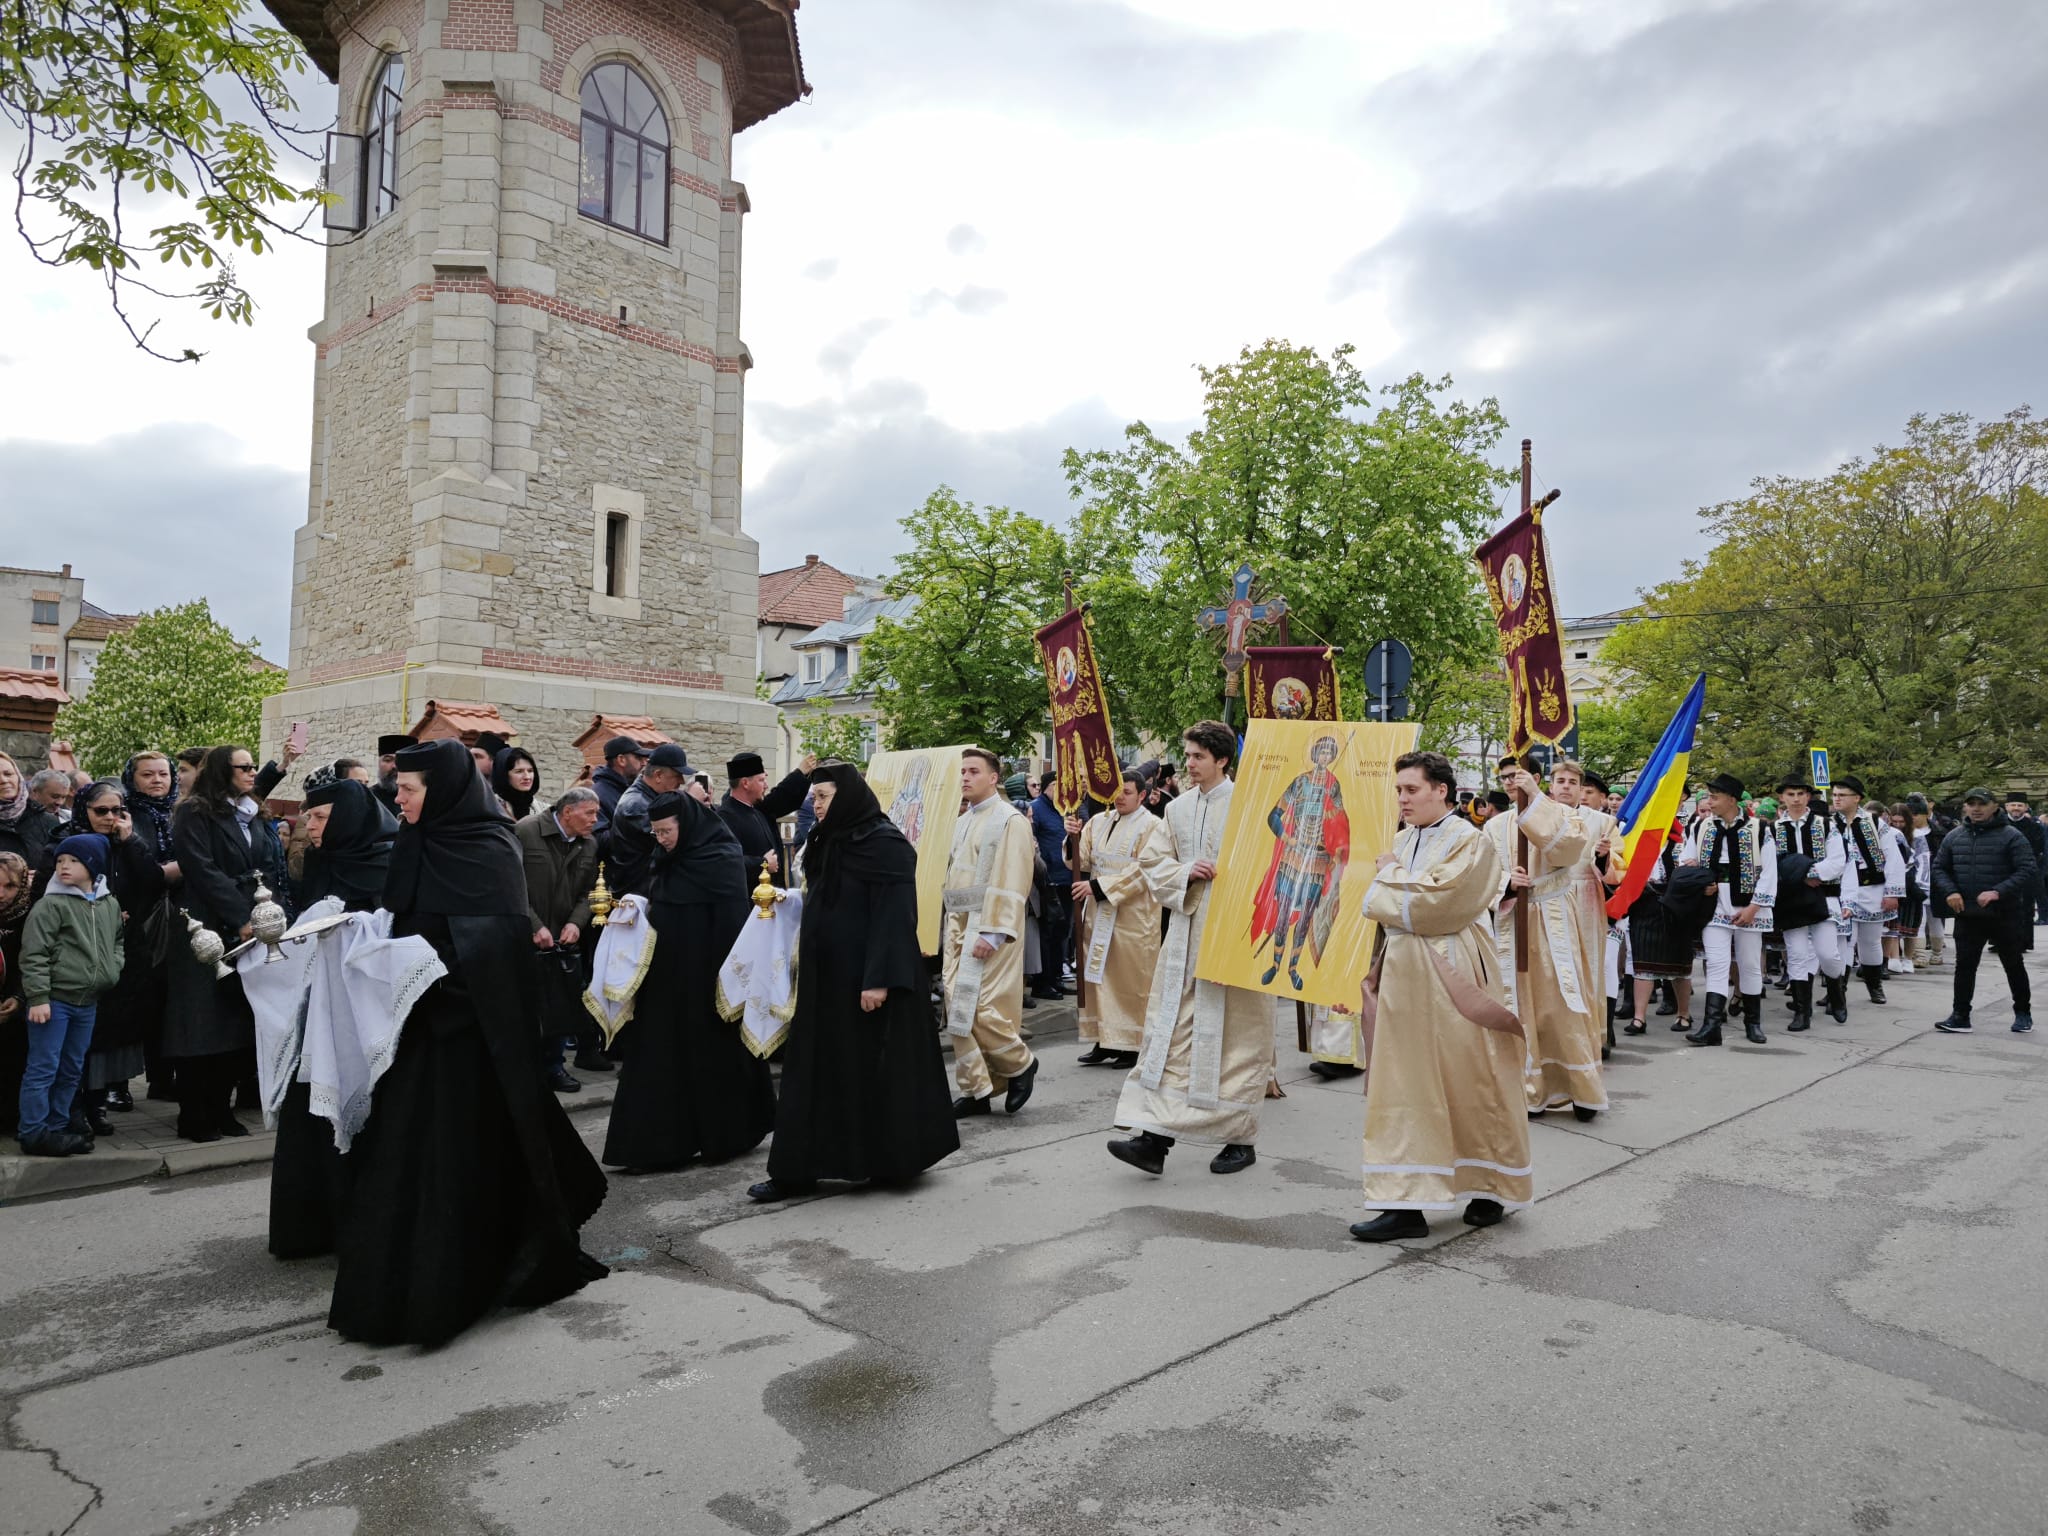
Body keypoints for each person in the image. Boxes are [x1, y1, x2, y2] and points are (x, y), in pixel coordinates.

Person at [326, 739, 607, 1346]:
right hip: (417, 1032)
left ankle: (462, 1286)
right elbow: (402, 919)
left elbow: (496, 958)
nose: (396, 798)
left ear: (445, 790)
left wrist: (421, 976)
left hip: (470, 1042)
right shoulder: (415, 838)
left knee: (463, 1162)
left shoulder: (490, 846)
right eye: (398, 788)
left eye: (409, 789)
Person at [749, 762, 960, 1202]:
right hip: (825, 981)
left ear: (846, 796)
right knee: (813, 1073)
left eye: (823, 796)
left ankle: (882, 1162)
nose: (816, 805)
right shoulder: (825, 839)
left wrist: (878, 980)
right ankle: (796, 1170)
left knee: (870, 1074)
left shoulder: (886, 845)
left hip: (866, 983)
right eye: (814, 798)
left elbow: (894, 919)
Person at [1351, 750, 1529, 1241]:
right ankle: (1405, 1204)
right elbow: (1399, 904)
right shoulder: (1402, 840)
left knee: (1468, 1077)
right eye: (1399, 790)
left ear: (1441, 791)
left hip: (1453, 971)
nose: (1402, 799)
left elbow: (1440, 906)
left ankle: (1488, 1185)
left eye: (1411, 789)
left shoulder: (1471, 842)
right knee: (1404, 1086)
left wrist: (1386, 877)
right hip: (1403, 973)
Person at [1108, 721, 1267, 1176]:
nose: (1190, 764)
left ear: (1221, 759)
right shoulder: (1176, 810)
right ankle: (1154, 1139)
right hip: (1186, 931)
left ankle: (1240, 1137)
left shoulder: (1248, 805)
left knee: (1235, 1037)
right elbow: (1154, 861)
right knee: (1171, 1033)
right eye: (1189, 754)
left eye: (1198, 756)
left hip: (1237, 933)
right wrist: (1184, 873)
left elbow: (1267, 865)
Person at [602, 790, 772, 1170]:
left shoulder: (721, 857)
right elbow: (662, 901)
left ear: (688, 824)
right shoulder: (666, 857)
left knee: (714, 1058)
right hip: (666, 978)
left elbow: (731, 927)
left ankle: (725, 1136)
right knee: (660, 1057)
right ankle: (659, 1145)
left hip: (708, 979)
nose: (660, 840)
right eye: (656, 832)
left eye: (666, 831)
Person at [269, 775, 396, 1262]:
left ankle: (363, 1223)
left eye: (321, 817)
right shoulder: (321, 860)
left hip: (367, 1014)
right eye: (308, 817)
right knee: (313, 1109)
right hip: (318, 1007)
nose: (311, 826)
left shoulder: (388, 860)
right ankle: (311, 1225)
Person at [1483, 756, 1604, 1118]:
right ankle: (1530, 1088)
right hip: (1513, 918)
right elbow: (1481, 871)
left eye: (1516, 776)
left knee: (1562, 1002)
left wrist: (1533, 803)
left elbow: (1566, 848)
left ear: (1536, 779)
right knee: (1519, 1003)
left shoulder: (1565, 815)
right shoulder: (1495, 825)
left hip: (1553, 915)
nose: (1509, 783)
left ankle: (1581, 1090)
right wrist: (1505, 884)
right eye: (1504, 777)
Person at [166, 746, 271, 1143]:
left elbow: (262, 866)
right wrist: (240, 916)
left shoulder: (252, 811)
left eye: (253, 766)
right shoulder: (193, 811)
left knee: (236, 1022)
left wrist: (265, 914)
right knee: (201, 1023)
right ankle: (194, 1114)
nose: (251, 772)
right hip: (205, 926)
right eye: (243, 767)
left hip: (247, 922)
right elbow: (201, 867)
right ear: (222, 773)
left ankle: (222, 1108)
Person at [938, 748, 1039, 1117]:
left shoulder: (1010, 820)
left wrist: (993, 933)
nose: (965, 777)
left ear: (994, 777)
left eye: (974, 771)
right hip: (957, 925)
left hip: (990, 926)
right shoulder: (963, 819)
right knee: (956, 1006)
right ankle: (977, 1088)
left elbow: (1015, 878)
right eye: (962, 771)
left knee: (978, 1006)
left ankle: (1020, 1064)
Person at [15, 834, 125, 1157]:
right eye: (60, 861)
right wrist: (37, 997)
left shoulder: (108, 903)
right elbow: (34, 953)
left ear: (92, 865)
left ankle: (58, 1126)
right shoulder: (50, 904)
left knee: (71, 1067)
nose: (64, 866)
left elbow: (118, 940)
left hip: (87, 1001)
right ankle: (34, 1131)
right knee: (43, 1066)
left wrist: (114, 967)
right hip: (54, 1001)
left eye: (73, 861)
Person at [70, 783, 167, 1135]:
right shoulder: (67, 843)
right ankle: (74, 1107)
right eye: (101, 811)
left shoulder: (125, 843)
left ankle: (97, 1105)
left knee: (109, 1034)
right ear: (85, 810)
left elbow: (153, 882)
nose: (110, 818)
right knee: (81, 1034)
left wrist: (132, 842)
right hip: (80, 952)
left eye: (117, 811)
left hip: (123, 952)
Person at [1072, 770, 1163, 1071]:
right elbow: (1080, 859)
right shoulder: (1098, 822)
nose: (1120, 797)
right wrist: (1070, 834)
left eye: (1126, 792)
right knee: (1099, 976)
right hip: (1098, 914)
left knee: (1130, 979)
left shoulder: (1153, 826)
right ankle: (1104, 1039)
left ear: (1142, 795)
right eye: (1116, 791)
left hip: (1132, 916)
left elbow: (1146, 870)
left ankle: (1133, 1045)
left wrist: (1097, 888)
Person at [515, 786, 602, 1092]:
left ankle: (554, 1068)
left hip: (563, 943)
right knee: (526, 1010)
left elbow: (589, 892)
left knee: (559, 1009)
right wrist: (534, 926)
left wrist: (577, 923)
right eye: (590, 812)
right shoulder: (526, 832)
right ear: (568, 812)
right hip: (526, 939)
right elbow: (512, 887)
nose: (595, 819)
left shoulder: (589, 844)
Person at [1680, 773, 1778, 1047]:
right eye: (1709, 797)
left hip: (1749, 904)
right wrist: (1701, 884)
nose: (1709, 802)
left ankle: (1753, 1022)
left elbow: (1769, 872)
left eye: (1715, 797)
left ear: (1732, 800)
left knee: (1748, 964)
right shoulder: (1701, 827)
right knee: (1717, 963)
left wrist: (1754, 907)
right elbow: (1687, 861)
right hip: (1714, 904)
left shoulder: (1759, 829)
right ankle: (1712, 1025)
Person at [1932, 789, 2036, 1034]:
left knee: (2013, 963)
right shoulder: (1954, 836)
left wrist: (1997, 891)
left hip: (2004, 913)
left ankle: (2023, 1013)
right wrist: (1950, 892)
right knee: (1965, 965)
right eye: (1971, 804)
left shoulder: (2012, 836)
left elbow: (2027, 869)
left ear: (1994, 807)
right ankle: (1960, 1015)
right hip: (1968, 914)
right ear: (1965, 808)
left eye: (1982, 804)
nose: (1976, 809)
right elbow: (1939, 868)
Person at [1771, 774, 1846, 1032]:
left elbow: (1837, 860)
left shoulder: (1826, 825)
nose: (1795, 799)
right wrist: (1802, 876)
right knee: (1797, 954)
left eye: (1800, 794)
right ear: (1782, 797)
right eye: (1790, 794)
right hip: (1791, 897)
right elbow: (1772, 865)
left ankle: (1836, 990)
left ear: (1808, 796)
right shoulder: (1773, 829)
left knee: (1828, 952)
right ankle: (1802, 1010)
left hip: (1821, 896)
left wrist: (1812, 873)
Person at [1833, 775, 1904, 1007]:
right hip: (1841, 891)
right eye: (1834, 795)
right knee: (1843, 940)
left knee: (1870, 941)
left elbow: (1893, 858)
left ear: (1857, 798)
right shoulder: (1830, 823)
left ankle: (1875, 986)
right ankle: (1837, 990)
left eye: (1842, 795)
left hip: (1872, 887)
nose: (1837, 799)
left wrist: (1892, 892)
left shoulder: (1874, 823)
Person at [718, 750, 814, 889]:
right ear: (745, 783)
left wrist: (802, 774)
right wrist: (763, 864)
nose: (766, 786)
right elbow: (725, 861)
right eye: (761, 780)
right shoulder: (724, 817)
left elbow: (781, 797)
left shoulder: (758, 810)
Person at [605, 743, 689, 896]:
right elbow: (675, 843)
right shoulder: (636, 806)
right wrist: (692, 804)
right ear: (658, 775)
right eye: (677, 775)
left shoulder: (652, 799)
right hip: (637, 897)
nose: (681, 782)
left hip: (650, 891)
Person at [1028, 778, 1075, 1000]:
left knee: (1062, 932)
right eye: (1057, 785)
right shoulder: (1036, 809)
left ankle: (1057, 977)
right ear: (1047, 787)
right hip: (1048, 881)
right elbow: (1031, 840)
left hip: (1067, 879)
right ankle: (1042, 982)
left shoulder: (1066, 809)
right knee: (1046, 933)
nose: (1061, 789)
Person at [0, 753, 61, 866]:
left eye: (8, 774)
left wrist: (39, 877)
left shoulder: (47, 821)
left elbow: (63, 865)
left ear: (18, 776)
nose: (3, 780)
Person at [2004, 795, 2048, 925]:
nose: (2016, 808)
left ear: (2026, 807)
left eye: (2019, 805)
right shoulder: (1999, 824)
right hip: (2003, 868)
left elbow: (2041, 848)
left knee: (2035, 895)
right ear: (2007, 807)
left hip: (2030, 867)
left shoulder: (2036, 826)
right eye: (2013, 805)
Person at [590, 736, 646, 839]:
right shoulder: (598, 795)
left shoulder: (631, 789)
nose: (644, 763)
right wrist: (640, 831)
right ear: (621, 760)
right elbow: (598, 839)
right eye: (638, 758)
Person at [492, 745, 541, 822]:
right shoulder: (491, 807)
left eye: (530, 771)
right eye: (519, 771)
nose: (527, 777)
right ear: (503, 775)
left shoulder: (542, 809)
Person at [371, 734, 415, 813]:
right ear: (378, 763)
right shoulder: (368, 797)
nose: (394, 766)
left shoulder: (424, 797)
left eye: (400, 760)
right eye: (388, 760)